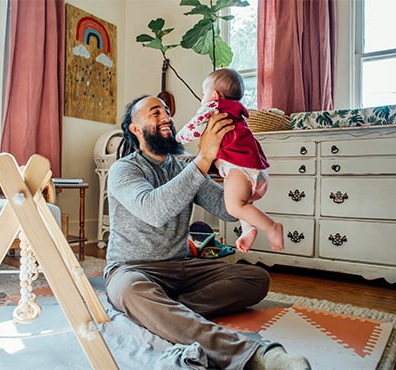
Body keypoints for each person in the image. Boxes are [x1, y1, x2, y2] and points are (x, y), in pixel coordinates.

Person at [105, 94, 310, 369]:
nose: (166, 117)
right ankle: (256, 357)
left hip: (181, 268)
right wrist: (203, 158)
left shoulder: (184, 166)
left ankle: (163, 314)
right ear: (135, 128)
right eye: (156, 112)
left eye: (167, 111)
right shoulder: (123, 169)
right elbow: (154, 211)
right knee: (129, 291)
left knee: (256, 279)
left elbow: (225, 209)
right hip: (132, 269)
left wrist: (242, 173)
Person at [176, 68, 284, 253]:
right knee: (242, 203)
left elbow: (193, 129)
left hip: (239, 170)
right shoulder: (237, 112)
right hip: (257, 172)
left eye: (204, 93)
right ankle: (248, 228)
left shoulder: (212, 107)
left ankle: (271, 227)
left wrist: (178, 138)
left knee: (234, 206)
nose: (203, 98)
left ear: (214, 95)